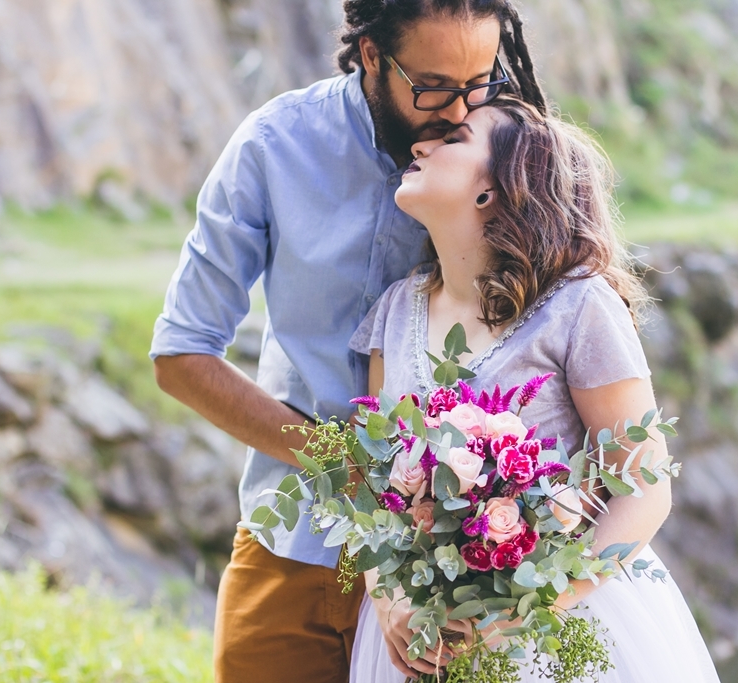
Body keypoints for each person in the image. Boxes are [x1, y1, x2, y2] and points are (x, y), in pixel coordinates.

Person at [149, 1, 546, 681]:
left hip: (450, 573)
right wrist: (343, 464)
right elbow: (181, 354)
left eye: (478, 81)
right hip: (291, 545)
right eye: (433, 88)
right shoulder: (273, 144)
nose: (458, 113)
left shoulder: (505, 152)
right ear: (369, 55)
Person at [347, 97, 722, 682]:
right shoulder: (395, 309)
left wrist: (524, 609)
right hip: (419, 636)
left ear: (492, 188)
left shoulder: (578, 304)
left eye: (452, 139)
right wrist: (386, 595)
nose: (419, 145)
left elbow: (646, 488)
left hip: (554, 631)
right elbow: (372, 485)